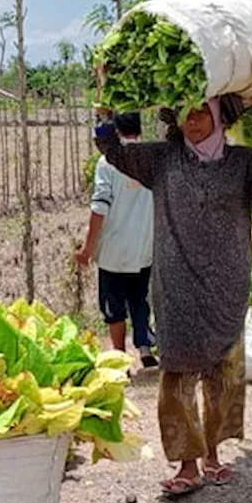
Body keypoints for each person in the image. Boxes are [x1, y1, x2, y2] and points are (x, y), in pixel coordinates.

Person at [93, 69, 252, 496]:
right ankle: (187, 463)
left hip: (227, 284)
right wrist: (105, 94)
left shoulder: (242, 164)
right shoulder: (163, 160)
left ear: (221, 116)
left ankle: (213, 454)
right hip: (176, 283)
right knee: (178, 374)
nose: (193, 118)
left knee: (223, 371)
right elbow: (111, 148)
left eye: (203, 110)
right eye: (186, 111)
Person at [77, 113, 158, 369]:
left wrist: (87, 248)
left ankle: (121, 357)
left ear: (115, 130)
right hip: (144, 246)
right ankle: (145, 348)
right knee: (140, 300)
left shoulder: (108, 162)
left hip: (113, 250)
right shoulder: (153, 158)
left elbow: (100, 207)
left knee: (114, 307)